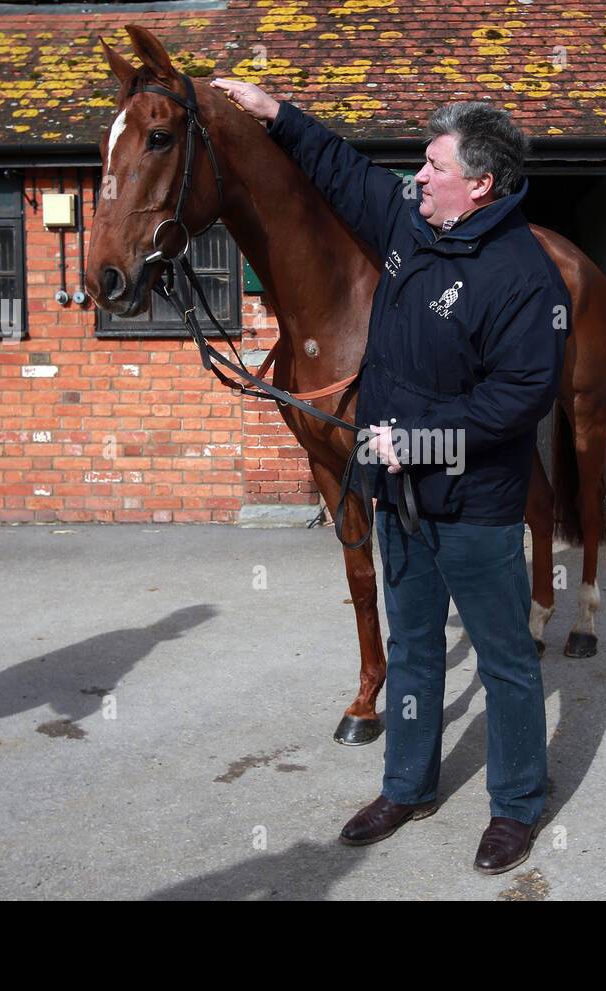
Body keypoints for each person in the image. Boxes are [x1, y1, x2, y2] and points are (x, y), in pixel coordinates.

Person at [211, 77, 571, 875]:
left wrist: (426, 441)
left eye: (434, 164)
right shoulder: (411, 221)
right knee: (411, 647)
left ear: (478, 183)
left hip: (473, 504)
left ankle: (516, 803)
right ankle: (406, 783)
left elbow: (521, 397)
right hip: (397, 492)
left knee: (506, 655)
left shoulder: (523, 275)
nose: (418, 176)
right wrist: (276, 114)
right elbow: (341, 170)